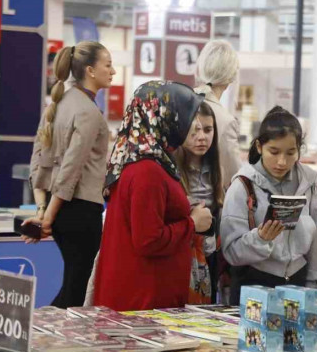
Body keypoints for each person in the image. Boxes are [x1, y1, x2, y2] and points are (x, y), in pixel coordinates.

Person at [93, 82, 213, 311]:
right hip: (143, 301)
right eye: (185, 117)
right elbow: (148, 239)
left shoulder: (139, 159)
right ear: (164, 117)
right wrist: (192, 224)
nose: (189, 125)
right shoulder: (148, 170)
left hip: (140, 295)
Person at [24, 41, 116, 309]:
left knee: (73, 286)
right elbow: (70, 170)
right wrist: (47, 218)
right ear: (90, 70)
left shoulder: (57, 104)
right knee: (77, 291)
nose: (113, 72)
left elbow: (38, 161)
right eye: (108, 65)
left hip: (61, 209)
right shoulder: (88, 112)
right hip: (80, 211)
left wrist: (43, 210)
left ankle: (43, 333)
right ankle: (47, 337)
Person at [220, 106, 317, 305]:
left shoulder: (307, 183)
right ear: (259, 147)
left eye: (291, 153)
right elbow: (231, 251)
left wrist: (313, 282)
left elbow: (315, 238)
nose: (282, 162)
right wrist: (259, 239)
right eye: (273, 152)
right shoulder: (243, 185)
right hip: (254, 285)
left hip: (298, 284)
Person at [173, 102, 224, 304]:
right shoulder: (171, 168)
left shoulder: (216, 168)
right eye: (195, 130)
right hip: (181, 251)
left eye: (208, 130)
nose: (202, 137)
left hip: (209, 252)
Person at [194, 40, 243, 187]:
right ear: (231, 76)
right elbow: (234, 176)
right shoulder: (225, 120)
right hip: (207, 200)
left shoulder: (180, 102)